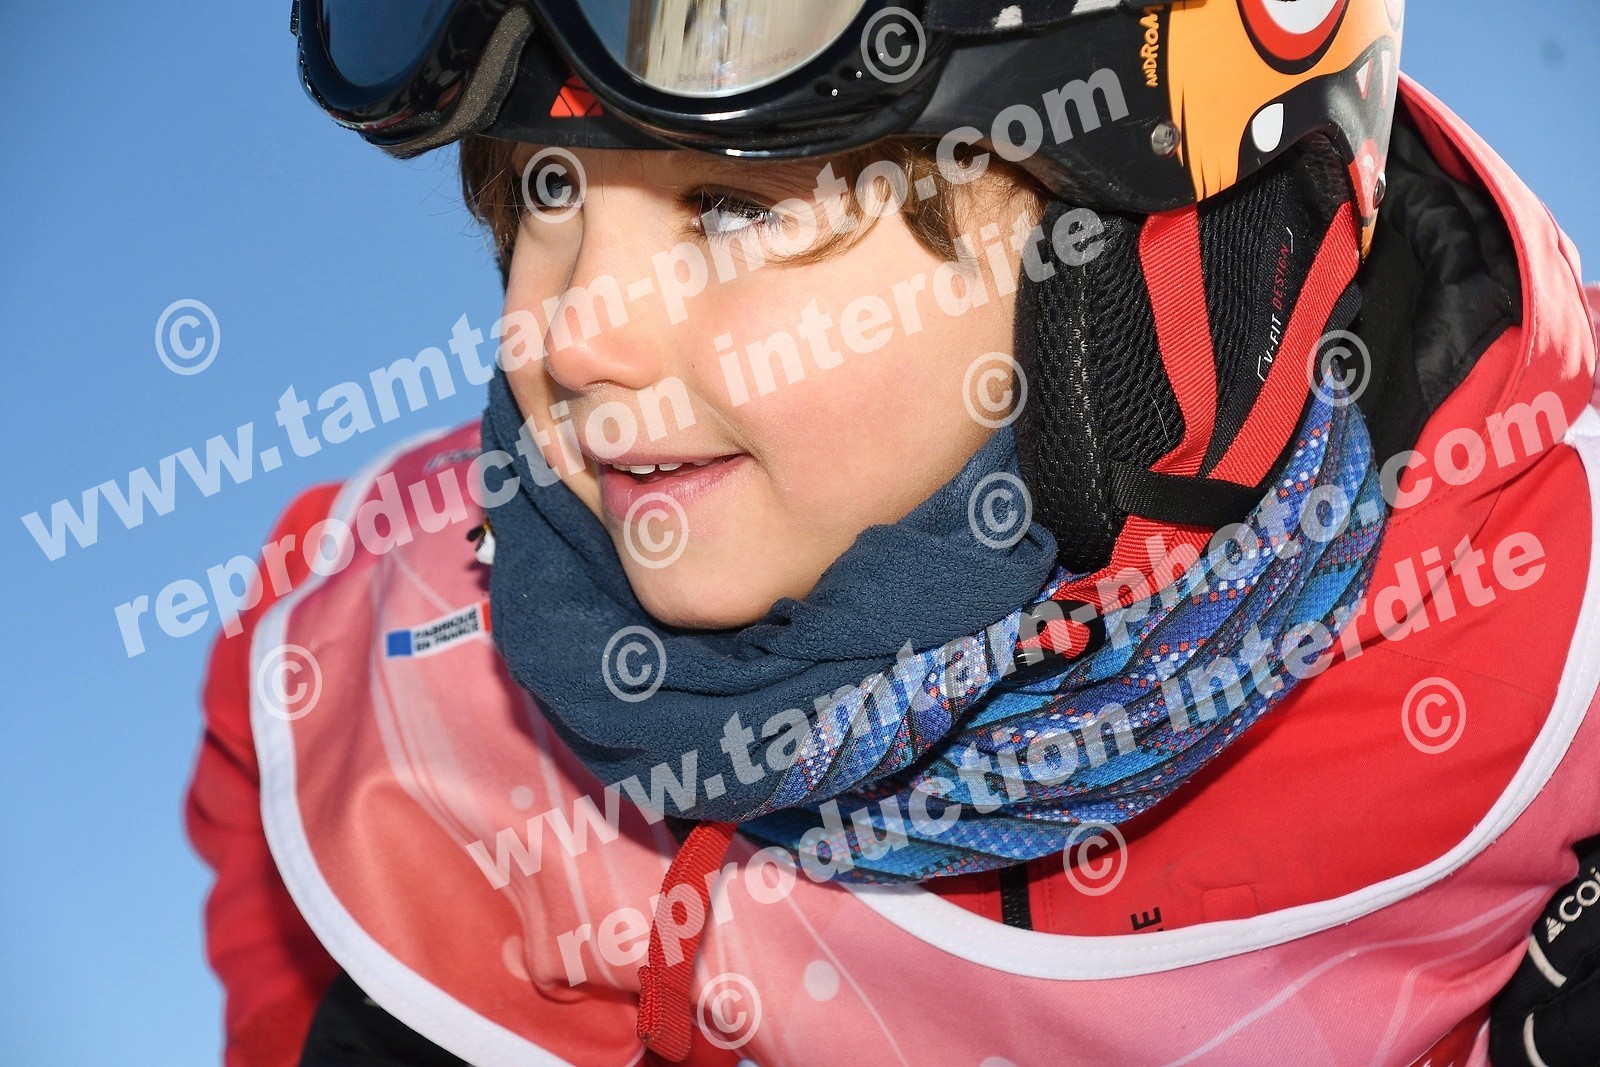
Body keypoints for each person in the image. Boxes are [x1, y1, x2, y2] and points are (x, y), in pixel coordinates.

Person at [186, 1, 1600, 1064]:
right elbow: (289, 751)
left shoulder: (1535, 642)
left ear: (1123, 247)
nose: (568, 336)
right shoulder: (404, 620)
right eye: (544, 196)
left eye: (725, 208)